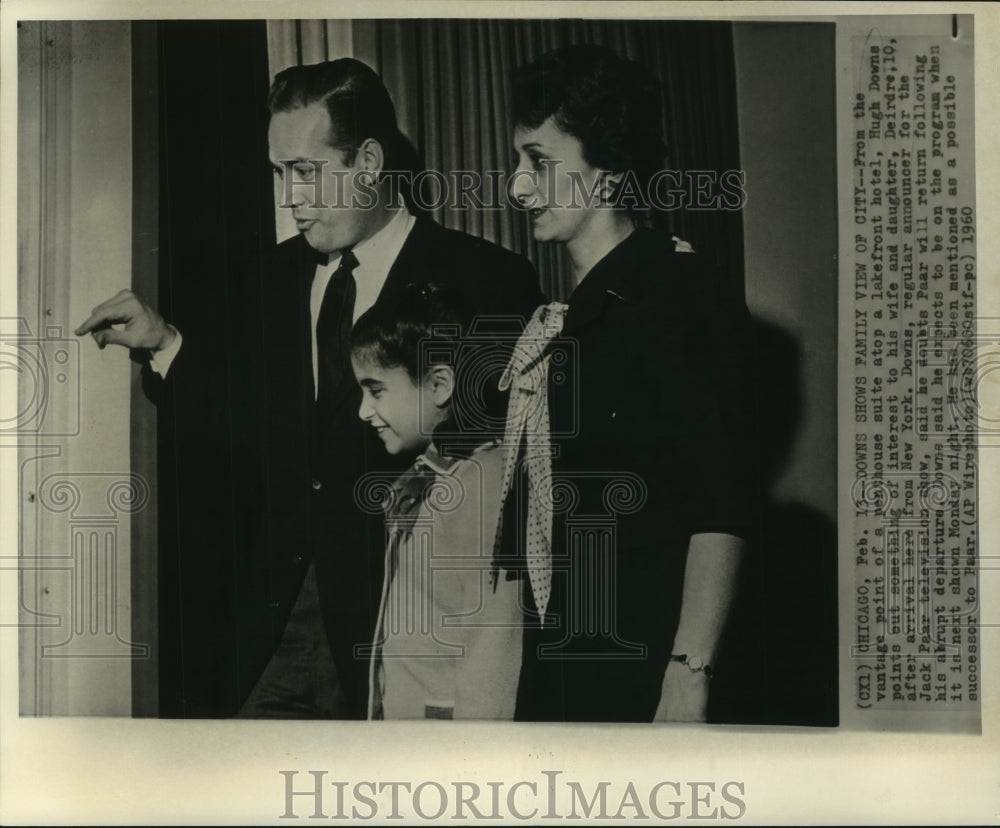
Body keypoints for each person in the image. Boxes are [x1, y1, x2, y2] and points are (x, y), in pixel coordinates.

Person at [74, 58, 543, 718]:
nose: (288, 198)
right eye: (278, 174)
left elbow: (507, 486)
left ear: (370, 161)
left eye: (305, 172)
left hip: (406, 633)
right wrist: (165, 345)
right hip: (274, 627)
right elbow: (256, 432)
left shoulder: (490, 281)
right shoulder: (267, 280)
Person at [499, 44, 758, 723]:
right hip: (566, 663)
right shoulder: (566, 321)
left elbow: (722, 501)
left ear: (609, 174)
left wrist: (689, 672)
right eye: (517, 163)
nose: (517, 187)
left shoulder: (680, 292)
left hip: (648, 668)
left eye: (539, 163)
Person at [349, 283, 522, 720]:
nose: (363, 411)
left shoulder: (484, 482)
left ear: (440, 384)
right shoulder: (434, 470)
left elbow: (493, 650)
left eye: (377, 390)